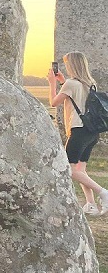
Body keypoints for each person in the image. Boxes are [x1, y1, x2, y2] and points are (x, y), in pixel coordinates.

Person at [48, 51, 107, 215]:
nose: (66, 67)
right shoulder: (89, 82)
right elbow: (77, 95)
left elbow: (54, 102)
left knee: (70, 169)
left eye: (67, 64)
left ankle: (103, 193)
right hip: (91, 132)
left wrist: (52, 82)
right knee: (81, 169)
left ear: (72, 65)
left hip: (79, 131)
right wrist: (62, 81)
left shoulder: (72, 84)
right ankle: (90, 204)